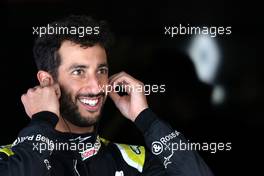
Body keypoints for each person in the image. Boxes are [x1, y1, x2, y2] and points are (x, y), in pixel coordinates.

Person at [0, 15, 214, 176]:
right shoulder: (10, 158)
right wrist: (42, 121)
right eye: (79, 72)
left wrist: (146, 120)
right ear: (47, 81)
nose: (95, 86)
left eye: (101, 70)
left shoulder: (133, 162)